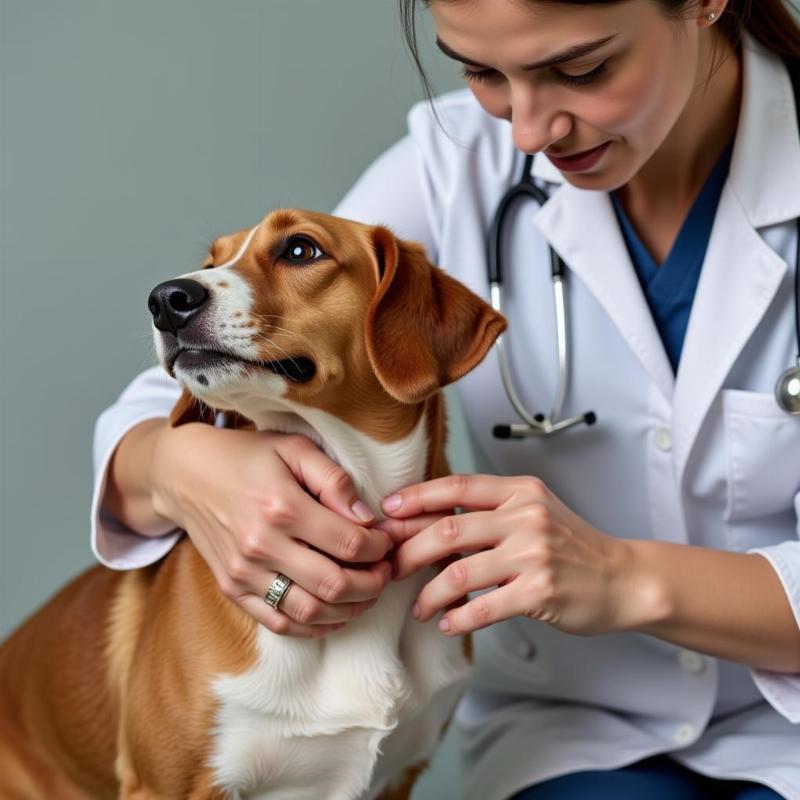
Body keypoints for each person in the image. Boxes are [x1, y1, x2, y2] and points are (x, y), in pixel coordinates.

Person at [92, 1, 800, 798]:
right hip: (579, 730)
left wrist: (621, 575)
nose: (527, 133)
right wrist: (181, 465)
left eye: (581, 69)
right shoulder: (460, 161)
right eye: (483, 72)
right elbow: (206, 362)